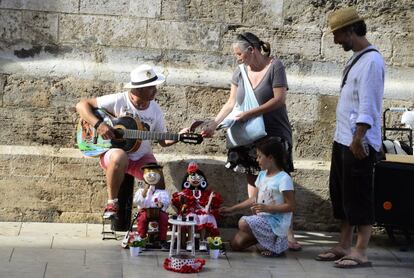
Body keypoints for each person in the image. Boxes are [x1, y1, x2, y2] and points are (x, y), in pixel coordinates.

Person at [201, 32, 301, 251]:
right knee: (253, 178)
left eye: (239, 53)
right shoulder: (239, 72)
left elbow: (279, 99)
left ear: (251, 50)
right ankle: (258, 220)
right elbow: (230, 103)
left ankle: (288, 233)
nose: (237, 58)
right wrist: (214, 124)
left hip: (273, 131)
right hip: (246, 134)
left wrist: (250, 113)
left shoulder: (275, 67)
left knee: (278, 178)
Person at [315, 7, 385, 268]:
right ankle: (344, 244)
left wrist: (358, 138)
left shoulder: (372, 62)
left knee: (359, 195)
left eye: (338, 35)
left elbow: (368, 104)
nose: (335, 41)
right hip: (343, 138)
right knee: (343, 195)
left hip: (359, 142)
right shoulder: (357, 58)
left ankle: (361, 250)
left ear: (351, 30)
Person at [76, 64, 185, 219]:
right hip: (113, 154)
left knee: (157, 178)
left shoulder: (155, 109)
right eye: (151, 87)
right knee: (120, 156)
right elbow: (81, 105)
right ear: (139, 89)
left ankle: (152, 216)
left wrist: (179, 136)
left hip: (141, 156)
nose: (155, 90)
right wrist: (99, 125)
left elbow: (163, 141)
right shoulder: (119, 100)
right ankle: (112, 203)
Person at [219, 138, 295, 257]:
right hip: (263, 220)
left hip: (276, 223)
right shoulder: (262, 175)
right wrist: (231, 209)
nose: (257, 160)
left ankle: (275, 245)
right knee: (235, 245)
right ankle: (263, 241)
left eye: (260, 157)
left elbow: (290, 206)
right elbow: (254, 199)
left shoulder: (284, 179)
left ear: (270, 158)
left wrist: (268, 208)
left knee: (243, 223)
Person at [171, 161, 223, 251]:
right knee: (192, 217)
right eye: (193, 177)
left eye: (199, 177)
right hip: (190, 211)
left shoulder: (205, 193)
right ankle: (190, 241)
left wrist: (211, 199)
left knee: (205, 217)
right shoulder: (186, 192)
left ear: (203, 180)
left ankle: (203, 241)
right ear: (188, 179)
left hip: (202, 211)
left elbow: (212, 202)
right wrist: (181, 199)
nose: (196, 179)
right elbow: (177, 200)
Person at [133, 163, 170, 250]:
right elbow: (137, 201)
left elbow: (166, 202)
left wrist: (162, 204)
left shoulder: (162, 191)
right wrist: (145, 191)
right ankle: (141, 239)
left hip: (158, 212)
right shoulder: (141, 190)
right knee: (142, 219)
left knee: (164, 218)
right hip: (145, 211)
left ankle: (162, 240)